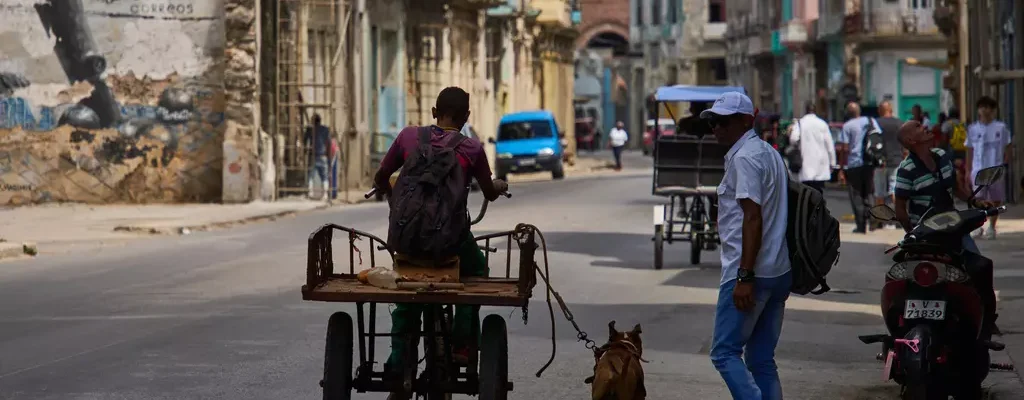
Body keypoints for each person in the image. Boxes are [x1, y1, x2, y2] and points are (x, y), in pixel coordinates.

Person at [372, 87, 509, 400]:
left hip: (407, 241)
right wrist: (498, 186)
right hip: (451, 243)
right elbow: (488, 190)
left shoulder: (408, 137)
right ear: (466, 117)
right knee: (477, 269)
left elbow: (382, 176)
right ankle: (462, 344)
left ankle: (397, 360)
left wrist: (386, 190)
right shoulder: (472, 149)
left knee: (405, 287)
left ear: (434, 112)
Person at [702, 92, 791, 400]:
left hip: (752, 272)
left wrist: (744, 276)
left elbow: (752, 218)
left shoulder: (745, 158)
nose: (717, 128)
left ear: (746, 121)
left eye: (724, 122)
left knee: (724, 353)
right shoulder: (767, 152)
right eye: (713, 122)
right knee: (761, 360)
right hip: (778, 270)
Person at [892, 120, 998, 338]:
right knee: (902, 276)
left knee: (979, 267)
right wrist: (911, 233)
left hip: (952, 229)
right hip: (924, 234)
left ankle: (987, 321)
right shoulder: (906, 169)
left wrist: (974, 202)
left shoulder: (942, 156)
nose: (925, 127)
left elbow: (956, 188)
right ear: (912, 140)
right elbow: (900, 208)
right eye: (919, 127)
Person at [965, 96, 1014, 240]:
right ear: (978, 110)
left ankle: (992, 227)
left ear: (994, 110)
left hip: (995, 169)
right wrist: (968, 169)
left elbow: (1008, 145)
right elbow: (969, 149)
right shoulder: (973, 128)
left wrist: (1006, 161)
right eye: (982, 107)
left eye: (989, 108)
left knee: (995, 199)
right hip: (978, 169)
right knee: (978, 199)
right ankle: (978, 226)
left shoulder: (1001, 127)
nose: (985, 110)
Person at [837, 102, 874, 234]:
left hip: (854, 165)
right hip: (869, 163)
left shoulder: (847, 126)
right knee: (869, 192)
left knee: (856, 195)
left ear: (848, 113)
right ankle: (873, 220)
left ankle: (861, 225)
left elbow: (845, 149)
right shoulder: (870, 121)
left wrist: (841, 168)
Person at [790, 102, 836, 193]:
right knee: (819, 190)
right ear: (815, 111)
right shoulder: (822, 124)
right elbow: (830, 145)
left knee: (806, 191)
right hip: (821, 164)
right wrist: (832, 162)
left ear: (806, 111)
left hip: (805, 163)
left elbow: (793, 139)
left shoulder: (800, 123)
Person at [874, 101, 903, 228]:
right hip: (896, 160)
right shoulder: (899, 123)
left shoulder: (875, 123)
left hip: (879, 162)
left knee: (879, 191)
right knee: (894, 190)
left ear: (880, 111)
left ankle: (881, 220)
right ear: (891, 110)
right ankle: (899, 219)